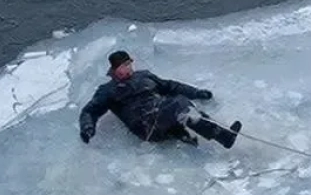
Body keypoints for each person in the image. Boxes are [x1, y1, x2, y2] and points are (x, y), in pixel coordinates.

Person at [79, 50, 242, 149]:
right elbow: (90, 111)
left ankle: (187, 138)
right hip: (144, 124)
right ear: (114, 70)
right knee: (178, 103)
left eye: (129, 64)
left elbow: (171, 86)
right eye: (123, 66)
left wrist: (197, 92)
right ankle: (224, 136)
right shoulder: (107, 90)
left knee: (177, 104)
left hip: (160, 115)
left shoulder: (144, 76)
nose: (128, 69)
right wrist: (87, 128)